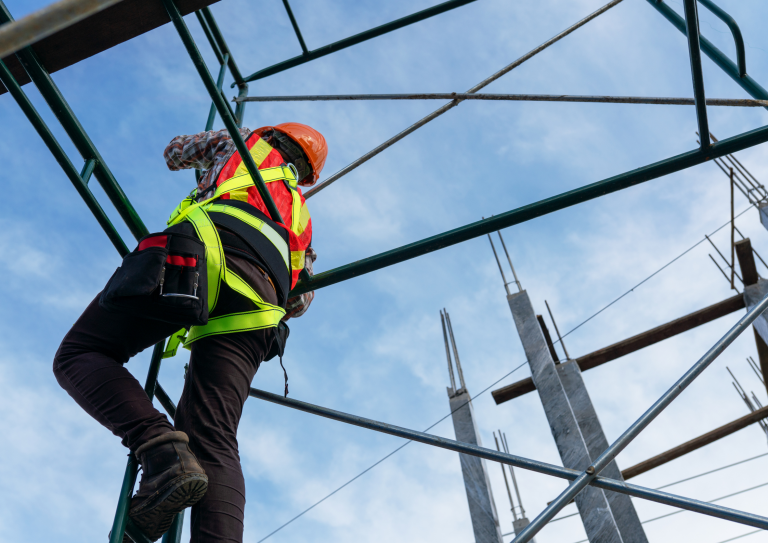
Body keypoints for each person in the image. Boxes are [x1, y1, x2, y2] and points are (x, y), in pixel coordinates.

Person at [52, 123, 326, 542]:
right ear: (306, 173)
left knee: (81, 353)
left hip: (199, 262)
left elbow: (174, 152)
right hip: (257, 309)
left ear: (273, 137)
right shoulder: (303, 222)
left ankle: (162, 450)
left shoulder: (240, 142)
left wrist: (208, 173)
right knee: (215, 436)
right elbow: (300, 303)